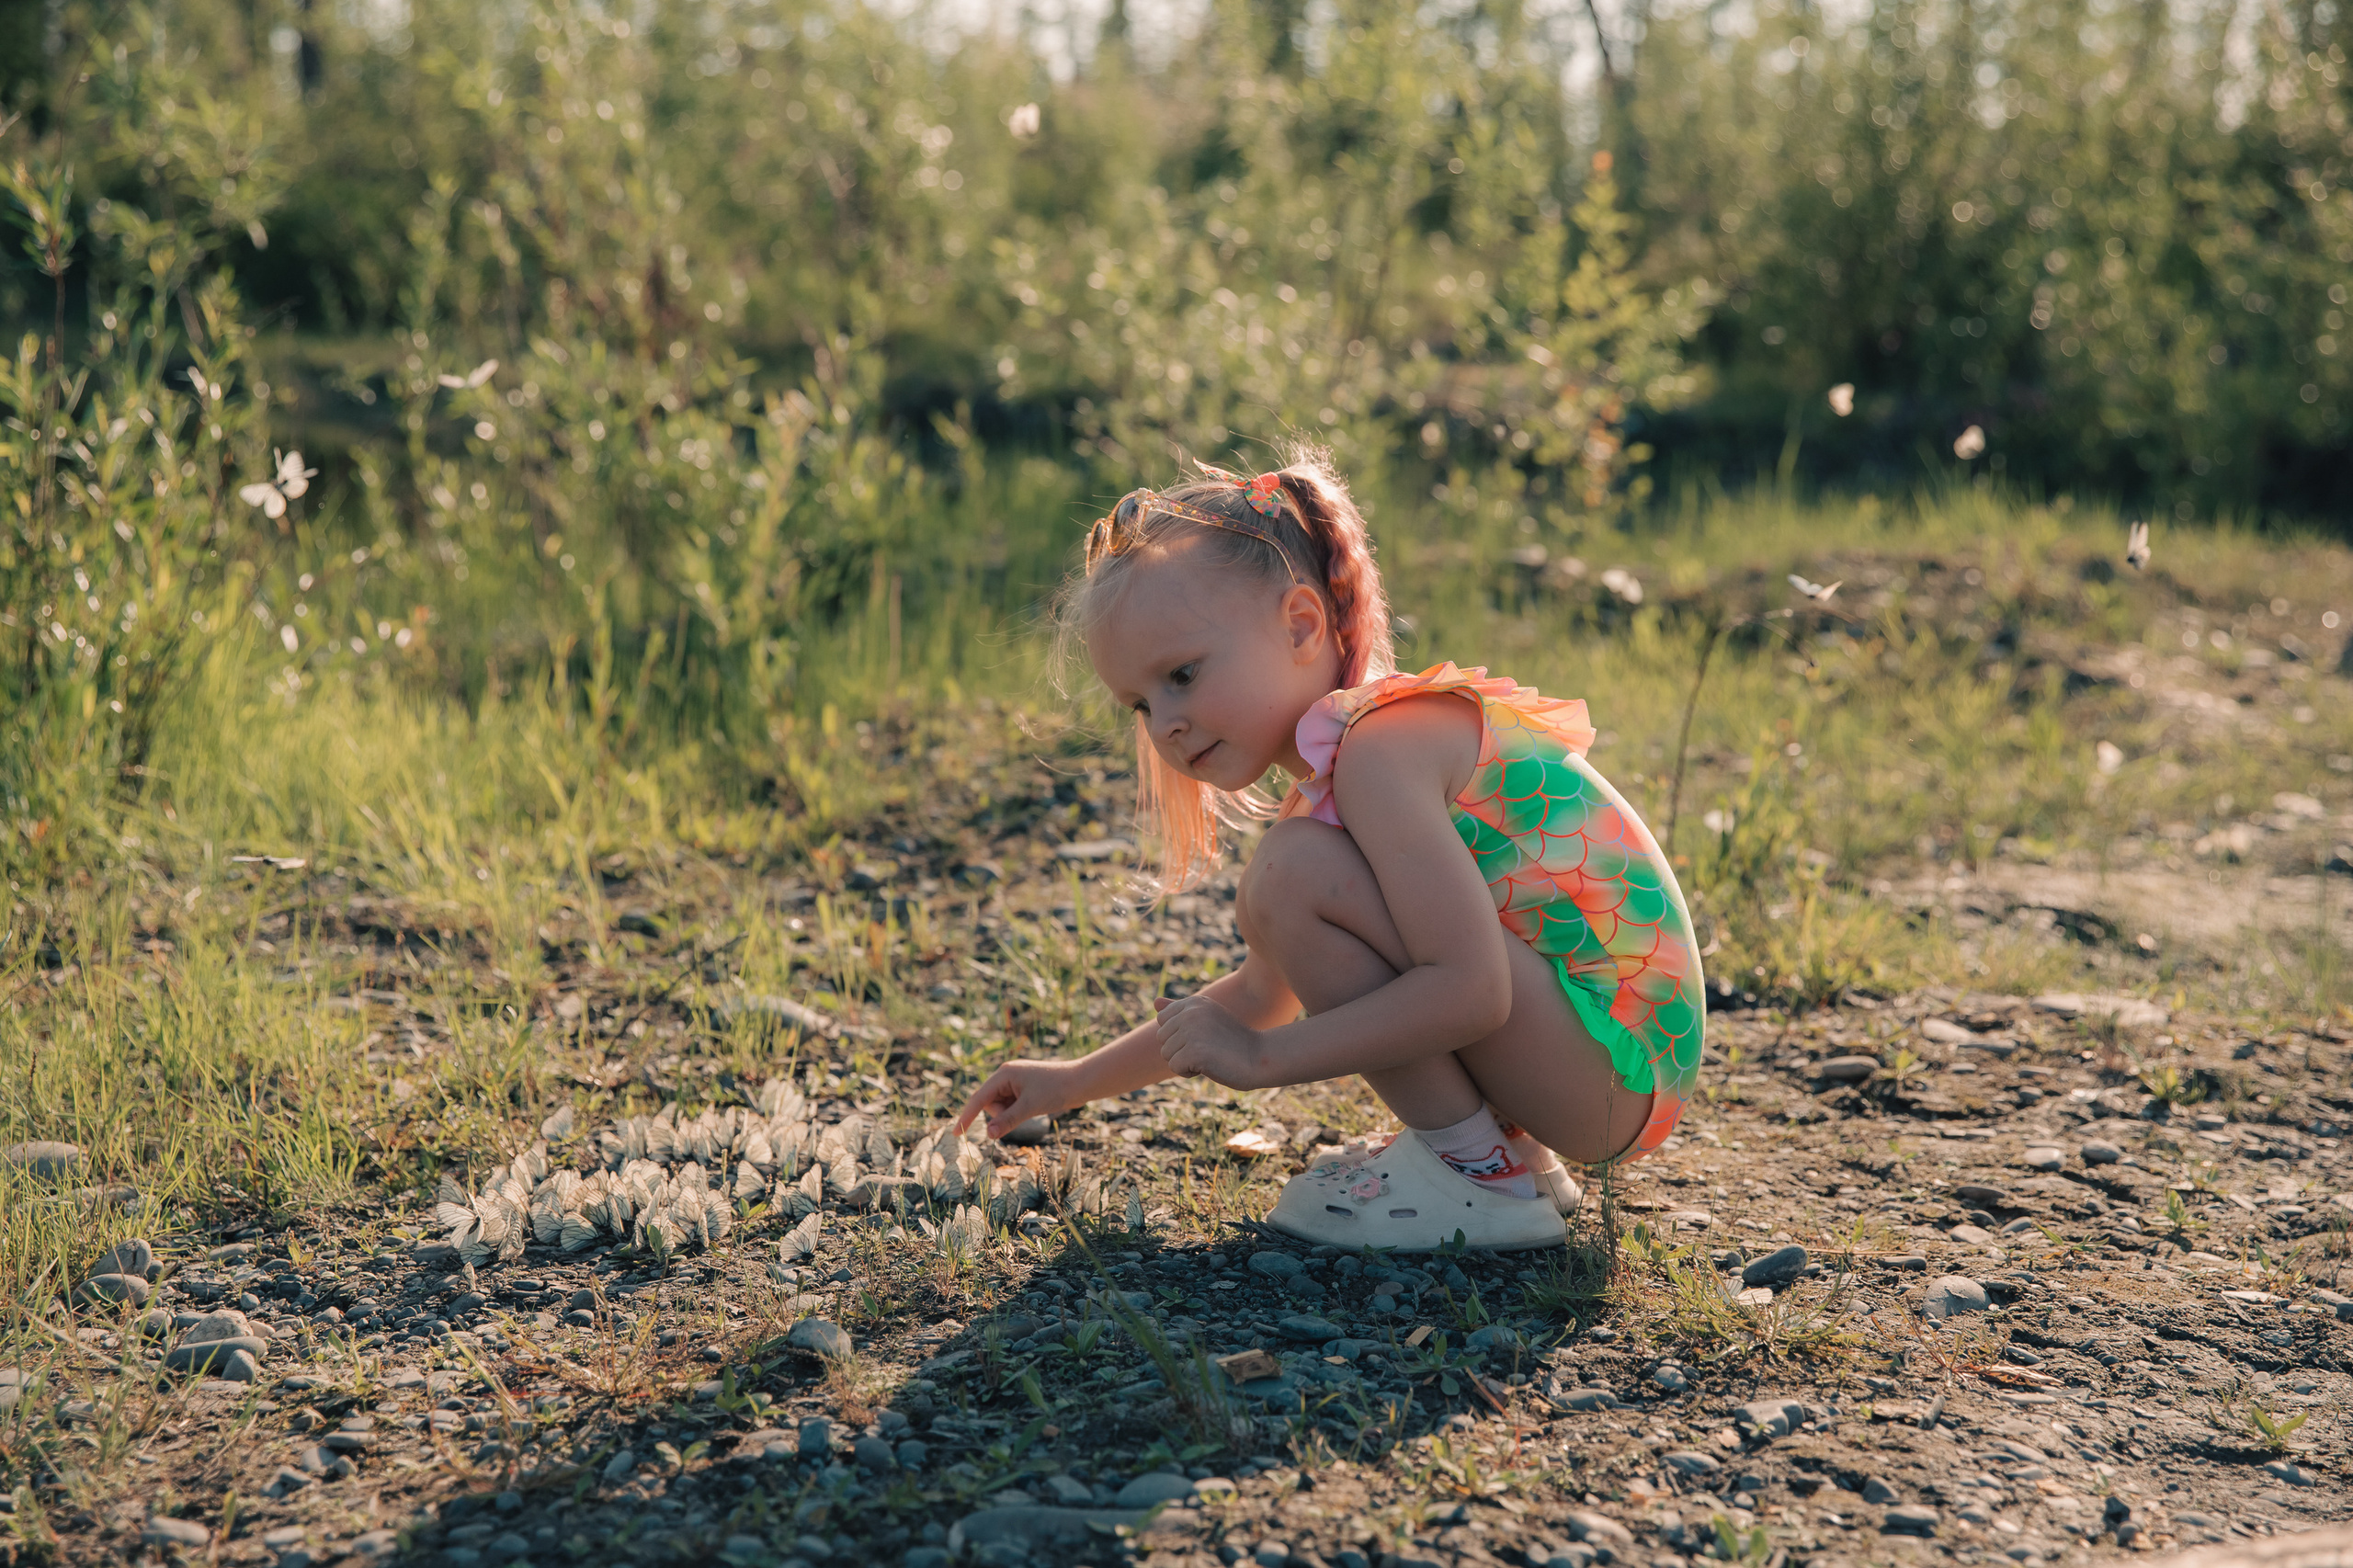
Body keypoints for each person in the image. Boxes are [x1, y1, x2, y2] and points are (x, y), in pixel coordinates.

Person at [952, 450, 1703, 1250]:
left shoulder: (1384, 751)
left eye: (1182, 674)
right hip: (1602, 1068)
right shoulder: (1349, 769)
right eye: (1140, 703)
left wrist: (1264, 1060)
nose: (1164, 722)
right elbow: (1263, 993)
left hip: (1614, 1072)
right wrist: (1071, 1084)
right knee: (1290, 875)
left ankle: (1480, 1180)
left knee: (1288, 876)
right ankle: (1503, 1160)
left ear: (1302, 625)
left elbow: (1473, 991)